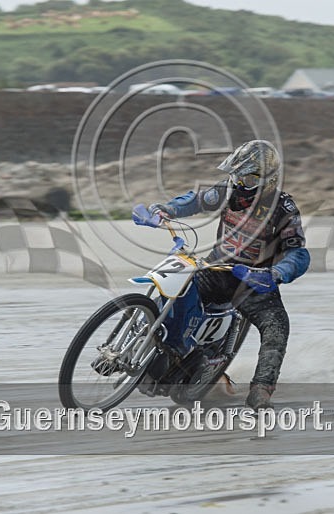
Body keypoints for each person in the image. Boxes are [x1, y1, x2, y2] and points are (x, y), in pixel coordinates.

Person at [133, 140, 310, 409]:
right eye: (236, 176)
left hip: (254, 282)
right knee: (175, 286)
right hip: (215, 270)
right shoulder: (227, 191)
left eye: (247, 179)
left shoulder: (283, 209)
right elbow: (194, 200)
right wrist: (165, 210)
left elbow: (298, 253)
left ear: (268, 181)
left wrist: (276, 273)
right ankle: (164, 347)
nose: (239, 185)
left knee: (278, 328)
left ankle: (261, 390)